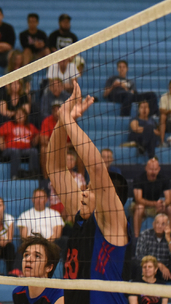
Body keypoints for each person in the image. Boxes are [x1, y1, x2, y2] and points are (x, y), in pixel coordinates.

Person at [45, 81, 131, 304]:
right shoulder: (81, 210)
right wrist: (63, 122)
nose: (84, 190)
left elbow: (97, 167)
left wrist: (68, 119)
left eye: (91, 189)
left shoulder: (113, 221)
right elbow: (55, 168)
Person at [12, 234, 64, 304]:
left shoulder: (59, 295)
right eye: (26, 255)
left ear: (49, 267)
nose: (28, 259)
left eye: (37, 256)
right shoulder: (18, 293)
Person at [0, 108, 40, 180]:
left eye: (22, 114)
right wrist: (0, 139)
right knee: (15, 151)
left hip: (25, 150)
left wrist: (37, 137)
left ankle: (33, 174)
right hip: (10, 150)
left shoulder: (30, 126)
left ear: (25, 116)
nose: (19, 116)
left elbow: (40, 133)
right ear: (14, 116)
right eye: (17, 114)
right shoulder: (9, 125)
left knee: (34, 151)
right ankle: (14, 176)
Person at [132, 156, 171, 238]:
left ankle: (169, 235)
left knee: (169, 208)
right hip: (141, 205)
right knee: (140, 208)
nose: (153, 172)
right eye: (151, 169)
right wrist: (154, 204)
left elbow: (169, 198)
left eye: (155, 169)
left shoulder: (164, 179)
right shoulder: (139, 179)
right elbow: (138, 199)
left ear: (159, 169)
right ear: (146, 168)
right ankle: (136, 237)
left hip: (156, 206)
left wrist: (163, 204)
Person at [48, 150, 85, 222]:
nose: (69, 161)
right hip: (58, 204)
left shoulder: (80, 176)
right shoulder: (56, 176)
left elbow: (83, 191)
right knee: (70, 207)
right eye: (66, 159)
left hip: (76, 203)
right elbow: (59, 193)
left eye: (71, 159)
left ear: (75, 162)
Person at [134, 214, 171, 282]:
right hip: (148, 267)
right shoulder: (145, 234)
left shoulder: (169, 236)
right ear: (153, 224)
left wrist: (168, 239)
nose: (159, 226)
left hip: (165, 270)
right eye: (157, 223)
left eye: (163, 224)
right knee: (137, 264)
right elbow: (139, 255)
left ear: (167, 226)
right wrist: (158, 264)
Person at [160, 80, 171, 147]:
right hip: (167, 121)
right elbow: (162, 110)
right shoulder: (164, 97)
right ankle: (162, 142)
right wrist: (169, 111)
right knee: (162, 116)